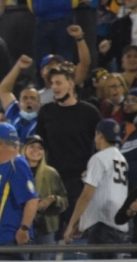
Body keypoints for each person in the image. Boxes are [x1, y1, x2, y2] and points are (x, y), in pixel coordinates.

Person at [35, 67, 101, 230]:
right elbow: (39, 144)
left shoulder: (89, 112)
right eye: (52, 83)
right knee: (51, 229)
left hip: (80, 181)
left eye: (59, 83)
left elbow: (103, 144)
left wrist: (93, 170)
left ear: (71, 84)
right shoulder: (46, 112)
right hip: (53, 181)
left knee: (78, 229)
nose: (54, 87)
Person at [63, 119, 129, 259]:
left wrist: (71, 225)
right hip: (119, 228)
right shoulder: (122, 159)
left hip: (103, 227)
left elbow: (87, 195)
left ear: (100, 135)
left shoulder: (99, 158)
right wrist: (82, 224)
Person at [0, 123, 40, 260]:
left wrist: (24, 229)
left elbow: (31, 199)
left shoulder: (16, 164)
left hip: (8, 241)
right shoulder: (4, 166)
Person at [22, 135, 68, 259]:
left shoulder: (51, 173)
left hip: (45, 228)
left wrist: (53, 199)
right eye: (32, 146)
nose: (36, 150)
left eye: (40, 148)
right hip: (22, 227)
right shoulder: (17, 171)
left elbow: (64, 201)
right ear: (24, 148)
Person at [0, 55, 40, 142]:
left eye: (32, 98)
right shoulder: (14, 111)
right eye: (25, 98)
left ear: (40, 104)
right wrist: (18, 67)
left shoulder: (43, 121)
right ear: (19, 103)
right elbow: (3, 90)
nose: (28, 101)